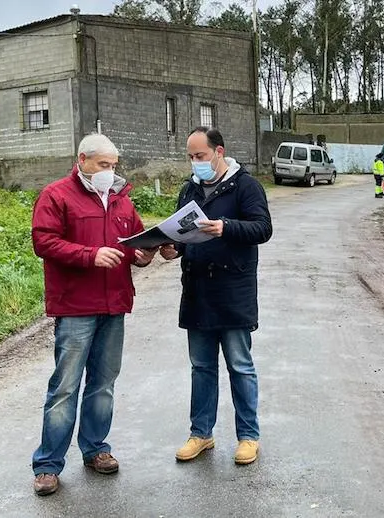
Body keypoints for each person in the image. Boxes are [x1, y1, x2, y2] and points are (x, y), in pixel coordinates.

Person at [30, 133, 155, 496]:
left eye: (114, 165)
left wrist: (142, 255)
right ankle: (48, 465)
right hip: (75, 307)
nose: (109, 171)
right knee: (65, 388)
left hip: (113, 305)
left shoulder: (120, 198)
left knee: (103, 385)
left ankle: (96, 448)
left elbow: (134, 239)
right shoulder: (56, 195)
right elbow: (44, 242)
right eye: (103, 165)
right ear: (82, 159)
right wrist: (90, 255)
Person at [159, 127, 273, 466]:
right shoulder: (189, 190)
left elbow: (262, 228)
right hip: (197, 292)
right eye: (191, 158)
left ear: (219, 151)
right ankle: (201, 434)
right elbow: (182, 233)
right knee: (202, 367)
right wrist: (171, 249)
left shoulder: (246, 186)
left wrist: (226, 226)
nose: (196, 163)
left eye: (201, 156)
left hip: (233, 291)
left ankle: (248, 436)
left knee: (240, 366)